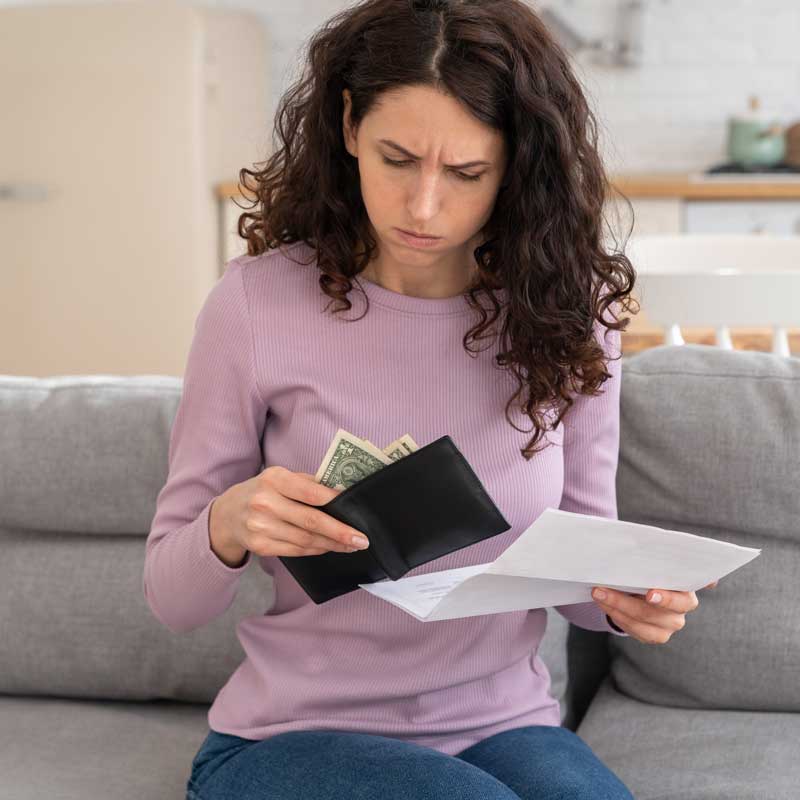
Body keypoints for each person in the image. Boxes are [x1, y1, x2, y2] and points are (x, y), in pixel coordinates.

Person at [143, 1, 715, 797]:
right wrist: (228, 524)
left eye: (466, 173)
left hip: (504, 724)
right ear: (348, 126)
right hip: (291, 738)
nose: (422, 207)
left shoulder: (571, 313)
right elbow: (171, 599)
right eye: (397, 158)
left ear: (516, 163)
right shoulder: (255, 307)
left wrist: (627, 602)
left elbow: (584, 583)